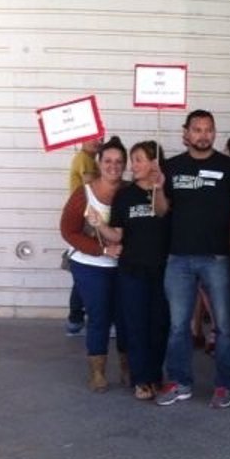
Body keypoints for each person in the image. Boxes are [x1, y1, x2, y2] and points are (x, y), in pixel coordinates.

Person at [155, 110, 230, 409]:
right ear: (186, 132)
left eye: (208, 129)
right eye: (197, 129)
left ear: (214, 132)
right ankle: (179, 382)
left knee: (225, 326)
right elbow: (160, 211)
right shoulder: (171, 167)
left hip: (216, 257)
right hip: (178, 258)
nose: (203, 135)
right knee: (178, 326)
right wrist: (157, 186)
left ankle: (224, 385)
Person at [90, 140, 171, 400]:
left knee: (159, 325)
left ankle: (155, 376)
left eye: (138, 160)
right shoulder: (125, 195)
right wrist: (99, 224)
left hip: (162, 270)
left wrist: (159, 188)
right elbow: (117, 235)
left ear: (154, 163)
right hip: (132, 270)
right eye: (132, 160)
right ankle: (141, 379)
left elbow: (162, 212)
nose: (132, 166)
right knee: (135, 326)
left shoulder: (165, 191)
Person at [60, 138, 127, 391]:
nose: (113, 166)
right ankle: (97, 373)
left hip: (123, 266)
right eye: (108, 161)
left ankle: (127, 367)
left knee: (126, 316)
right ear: (99, 163)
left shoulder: (131, 191)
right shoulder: (83, 194)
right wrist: (102, 249)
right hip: (89, 264)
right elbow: (68, 231)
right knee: (99, 317)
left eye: (119, 161)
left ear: (125, 165)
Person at [65, 136, 102, 335]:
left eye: (100, 138)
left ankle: (76, 320)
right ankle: (76, 320)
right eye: (92, 138)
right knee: (84, 274)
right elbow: (90, 186)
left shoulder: (90, 159)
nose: (97, 142)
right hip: (84, 220)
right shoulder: (84, 159)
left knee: (84, 274)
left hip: (87, 218)